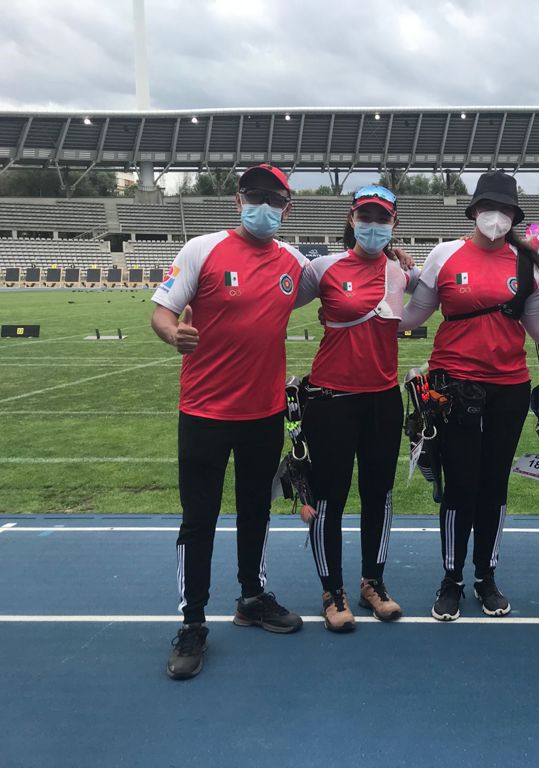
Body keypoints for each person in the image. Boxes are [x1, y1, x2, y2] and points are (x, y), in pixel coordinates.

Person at [152, 164, 308, 680]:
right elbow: (162, 310)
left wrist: (393, 258)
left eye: (275, 198)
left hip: (264, 414)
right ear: (238, 198)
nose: (265, 206)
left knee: (255, 513)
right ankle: (193, 621)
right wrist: (174, 334)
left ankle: (251, 596)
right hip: (204, 413)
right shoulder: (202, 249)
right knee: (199, 519)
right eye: (256, 195)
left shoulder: (293, 261)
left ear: (287, 207)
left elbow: (338, 276)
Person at [400, 170, 539, 621]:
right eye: (491, 208)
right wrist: (368, 306)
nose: (497, 217)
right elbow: (413, 316)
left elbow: (538, 328)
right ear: (473, 211)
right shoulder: (445, 254)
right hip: (453, 388)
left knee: (494, 487)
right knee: (460, 487)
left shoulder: (526, 262)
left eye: (506, 210)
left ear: (514, 217)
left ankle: (486, 577)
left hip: (508, 387)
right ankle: (451, 579)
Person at [295, 185, 412, 632]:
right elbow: (275, 303)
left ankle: (373, 583)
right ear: (351, 217)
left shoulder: (402, 272)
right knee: (330, 498)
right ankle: (332, 590)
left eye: (382, 219)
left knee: (378, 495)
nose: (373, 225)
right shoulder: (322, 268)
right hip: (331, 399)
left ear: (394, 224)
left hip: (382, 399)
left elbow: (415, 305)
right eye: (366, 216)